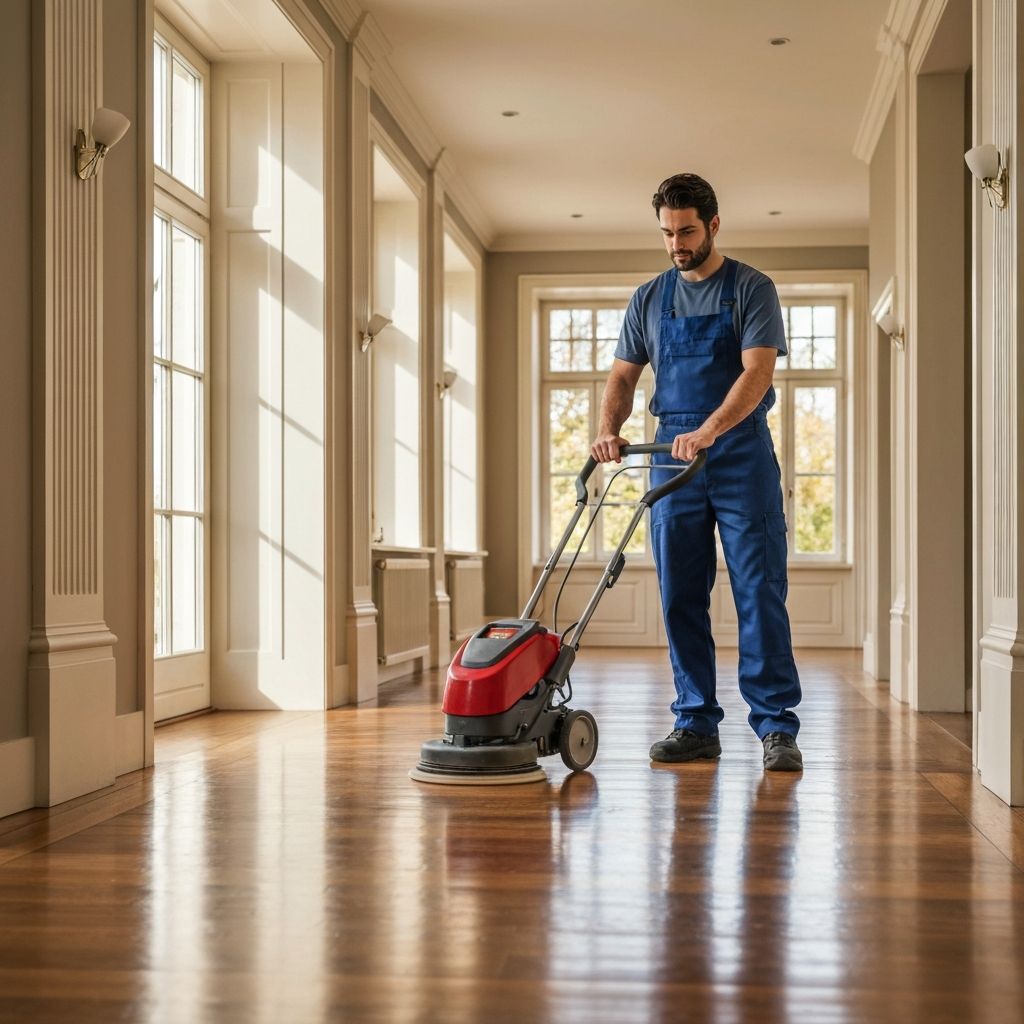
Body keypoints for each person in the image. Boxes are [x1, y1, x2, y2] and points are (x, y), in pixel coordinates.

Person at [590, 173, 803, 772]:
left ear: (712, 224)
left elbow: (757, 373)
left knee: (760, 591)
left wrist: (710, 431)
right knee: (681, 591)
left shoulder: (751, 289)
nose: (676, 243)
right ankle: (694, 722)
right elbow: (624, 379)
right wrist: (609, 427)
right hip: (670, 457)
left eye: (686, 230)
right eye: (666, 232)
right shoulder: (649, 298)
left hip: (738, 455)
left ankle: (776, 727)